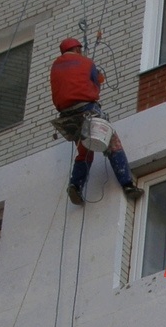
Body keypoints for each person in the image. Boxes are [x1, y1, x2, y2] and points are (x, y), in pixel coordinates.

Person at [50, 38, 142, 205]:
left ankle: (75, 185)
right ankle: (127, 184)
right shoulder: (86, 62)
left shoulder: (55, 67)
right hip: (86, 109)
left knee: (85, 150)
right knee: (112, 142)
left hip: (66, 114)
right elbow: (98, 81)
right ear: (77, 49)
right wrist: (97, 75)